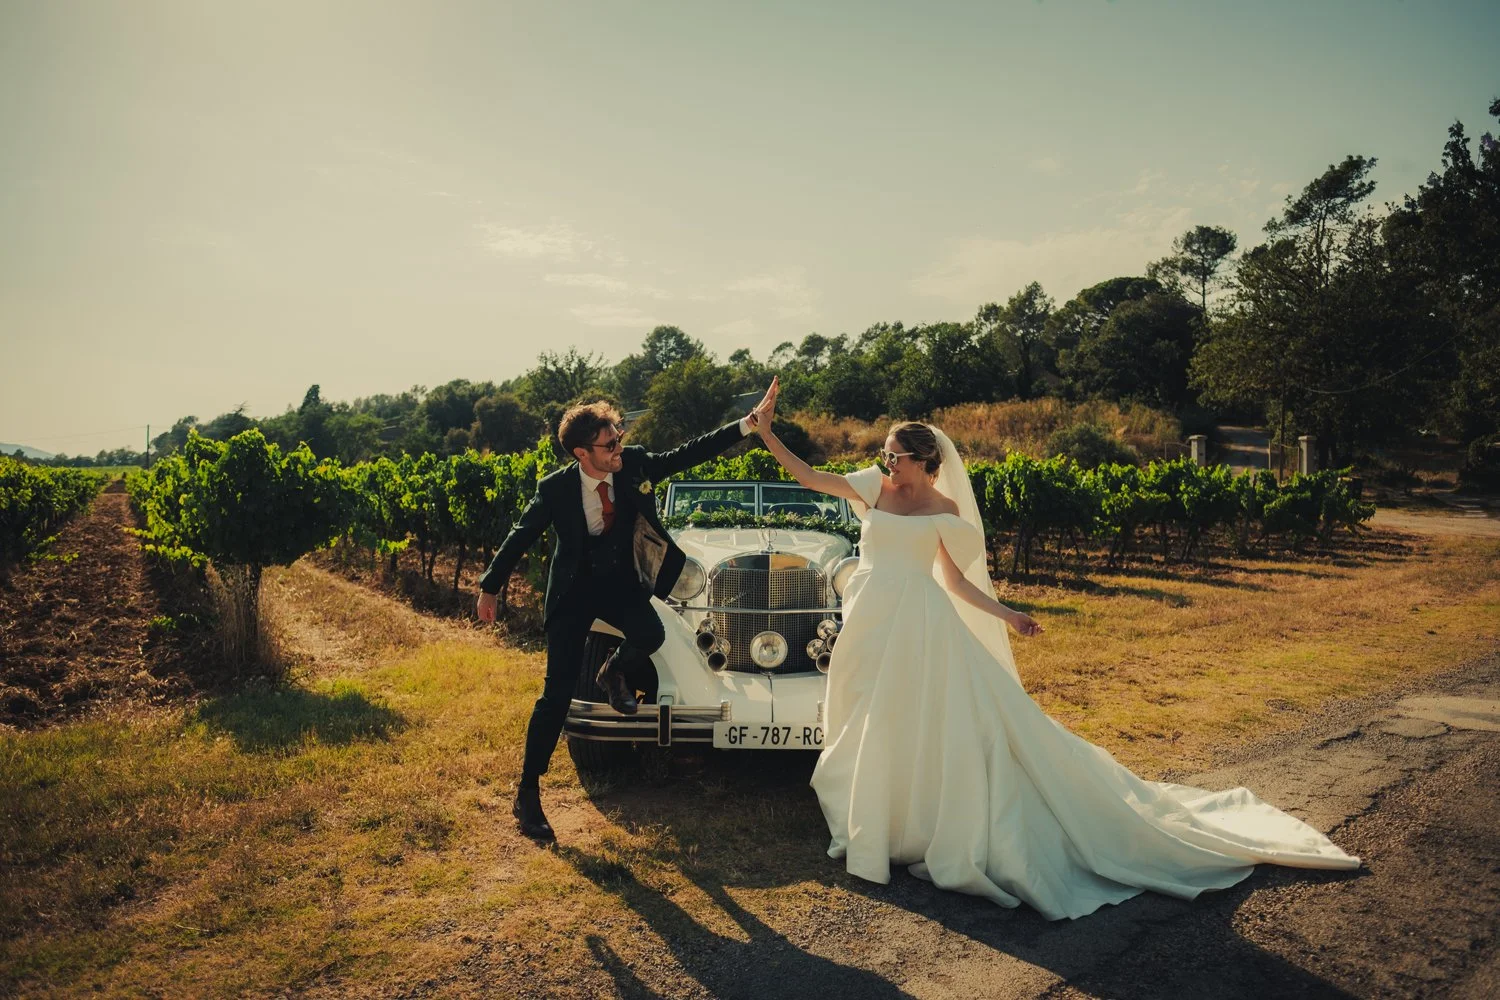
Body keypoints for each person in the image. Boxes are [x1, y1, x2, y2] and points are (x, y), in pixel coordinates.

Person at [752, 377, 1360, 920]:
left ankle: (920, 824)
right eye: (885, 454)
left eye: (897, 456)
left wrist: (1008, 614)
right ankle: (875, 821)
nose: (887, 463)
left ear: (927, 461)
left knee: (928, 720)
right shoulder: (870, 488)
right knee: (866, 713)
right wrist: (770, 435)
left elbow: (956, 581)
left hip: (920, 622)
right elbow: (811, 477)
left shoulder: (943, 509)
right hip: (870, 617)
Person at [476, 386, 777, 842]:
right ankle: (528, 793)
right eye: (609, 443)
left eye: (619, 436)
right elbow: (521, 534)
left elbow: (689, 453)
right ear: (582, 452)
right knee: (555, 695)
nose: (619, 446)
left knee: (651, 634)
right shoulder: (556, 489)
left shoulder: (633, 463)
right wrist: (490, 587)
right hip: (574, 595)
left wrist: (747, 424)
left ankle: (614, 670)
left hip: (621, 586)